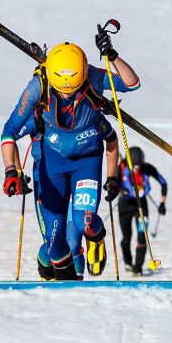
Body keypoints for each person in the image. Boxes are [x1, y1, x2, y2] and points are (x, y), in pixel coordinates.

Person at [0, 32, 140, 281]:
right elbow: (9, 131)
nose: (67, 95)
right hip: (52, 166)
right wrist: (11, 170)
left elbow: (131, 84)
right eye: (61, 90)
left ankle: (95, 239)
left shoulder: (94, 76)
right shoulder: (38, 85)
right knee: (54, 243)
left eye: (73, 90)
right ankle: (58, 281)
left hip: (87, 162)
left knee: (83, 222)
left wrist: (112, 55)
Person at [11, 113, 119, 281]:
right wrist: (17, 172)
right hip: (48, 182)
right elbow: (10, 136)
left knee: (75, 241)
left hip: (79, 174)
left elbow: (111, 138)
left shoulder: (85, 113)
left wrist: (112, 178)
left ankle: (77, 282)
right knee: (52, 245)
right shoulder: (38, 116)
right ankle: (48, 279)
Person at [117, 146, 167, 275]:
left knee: (142, 237)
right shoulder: (121, 167)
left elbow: (163, 183)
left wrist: (162, 203)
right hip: (125, 205)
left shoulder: (147, 168)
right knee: (126, 238)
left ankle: (138, 268)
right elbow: (114, 183)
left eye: (139, 166)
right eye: (135, 166)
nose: (137, 169)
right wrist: (119, 190)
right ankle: (128, 262)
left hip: (141, 206)